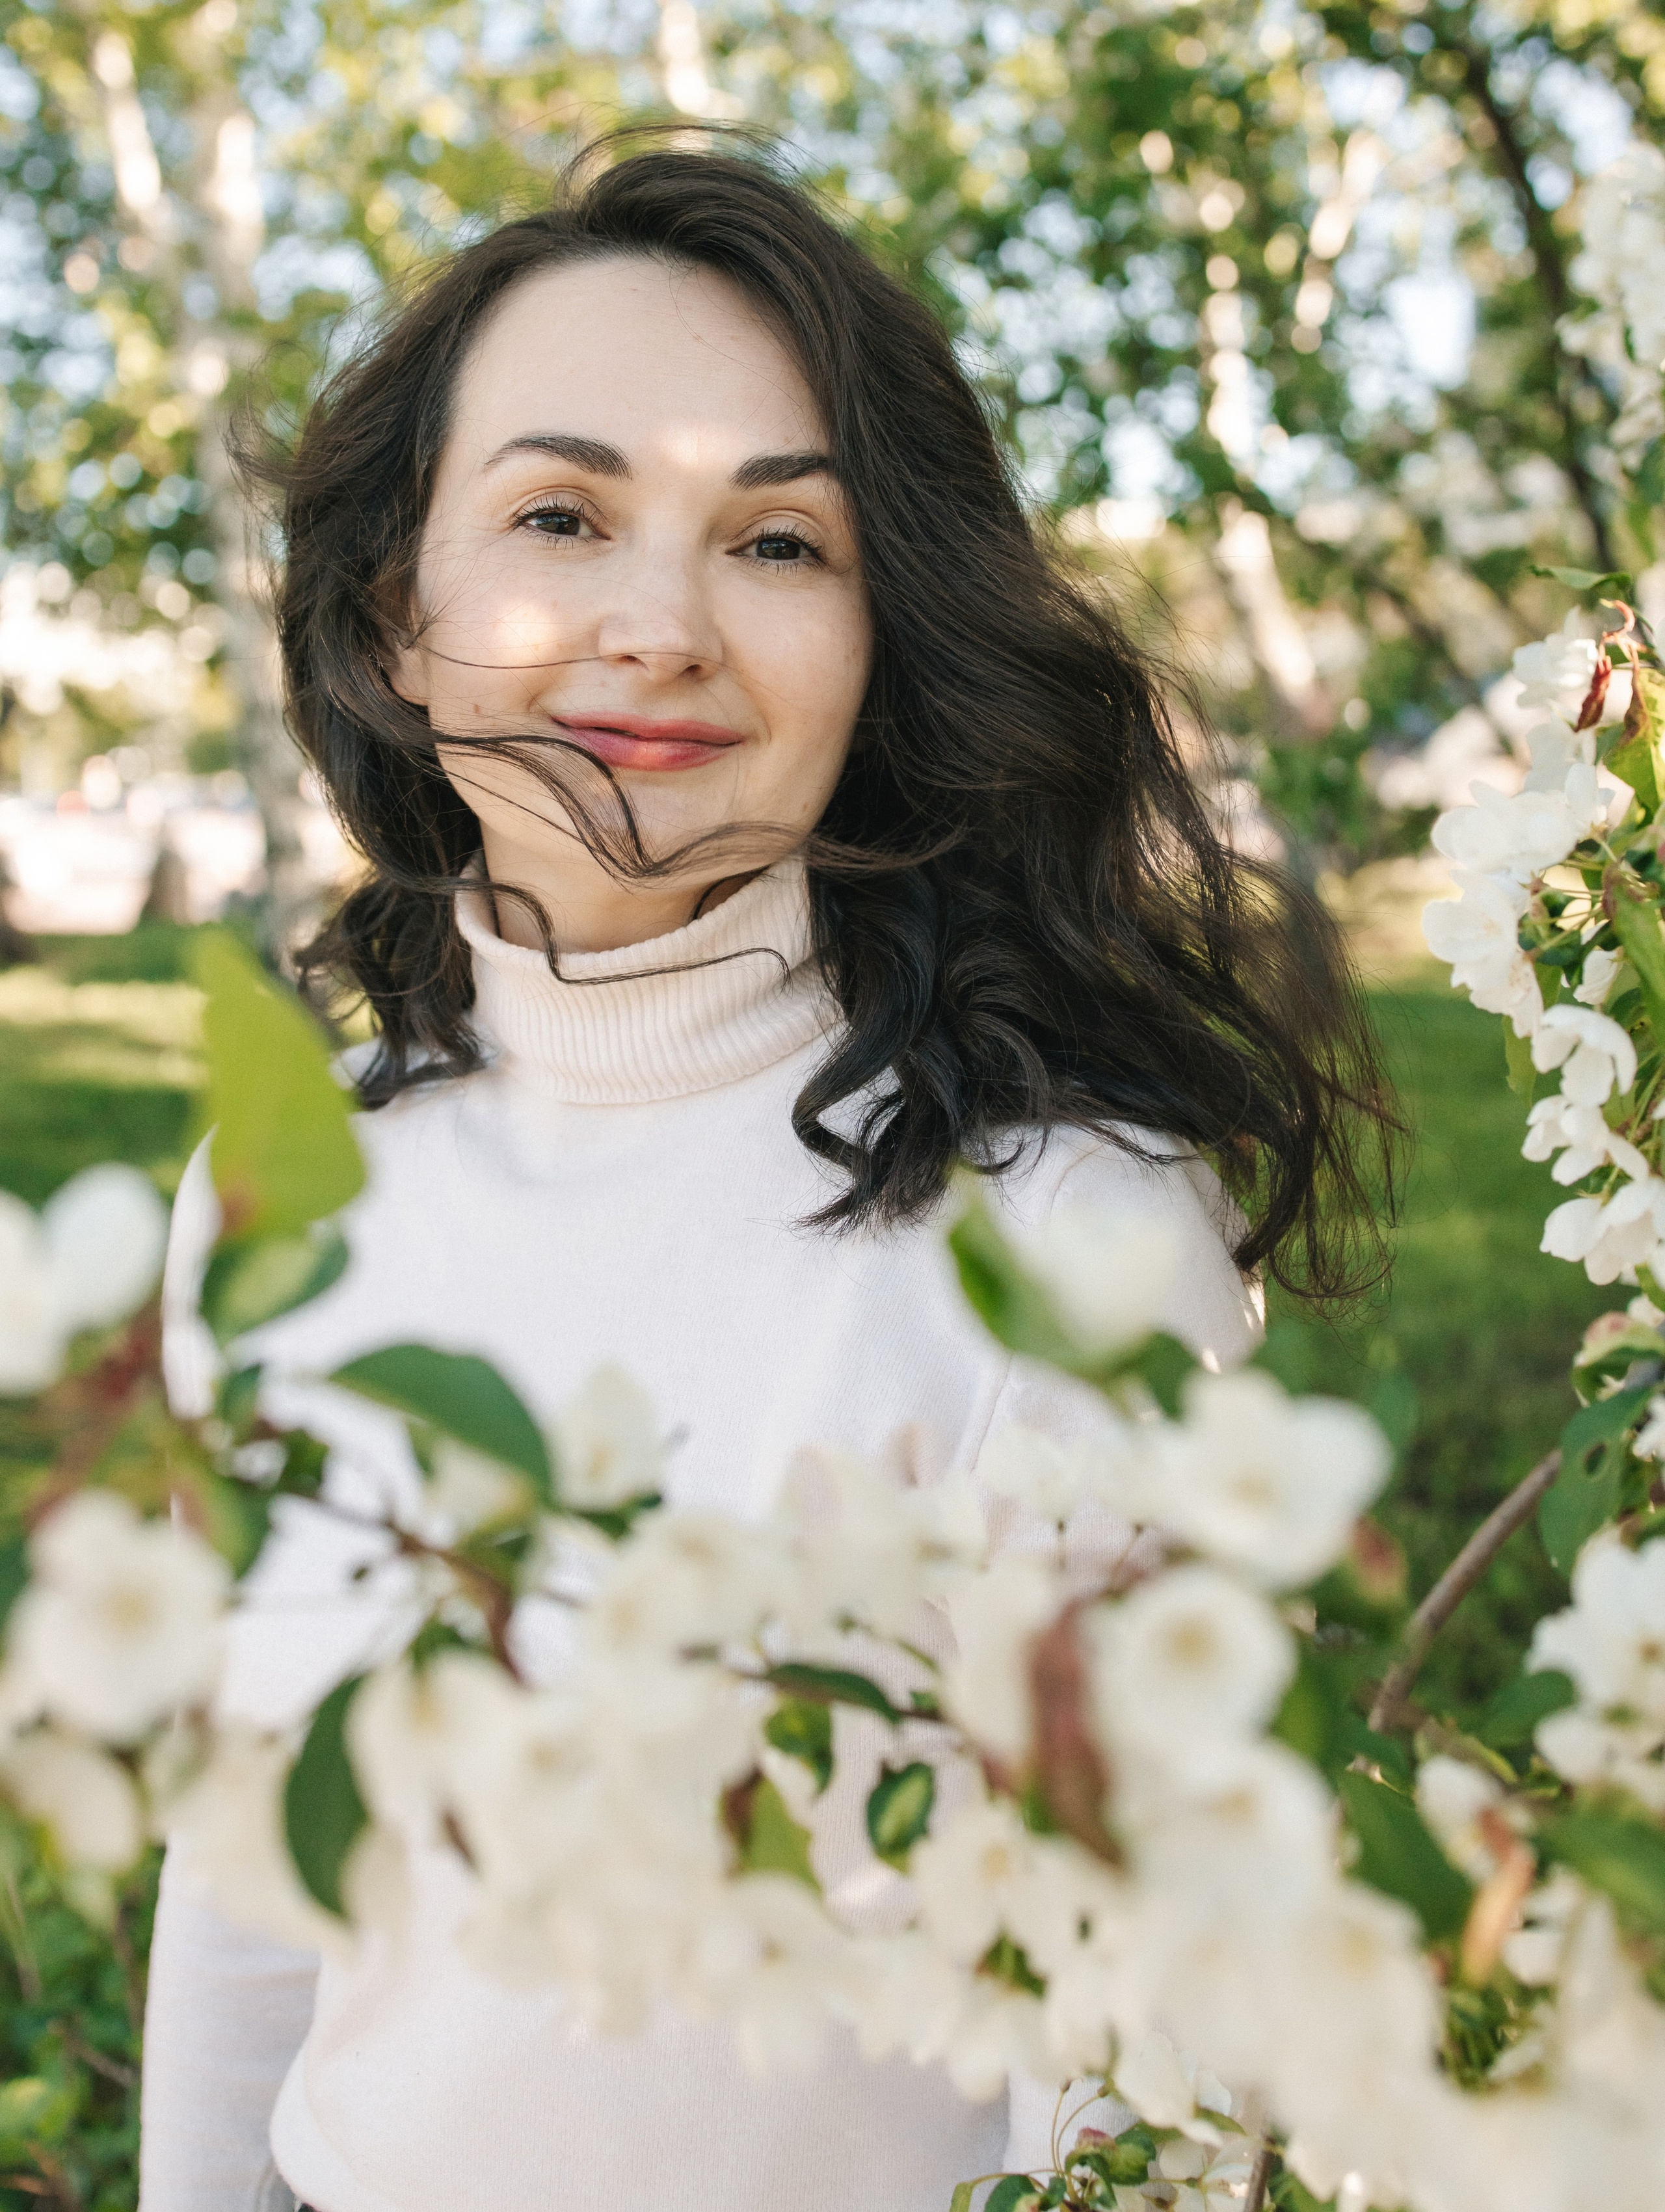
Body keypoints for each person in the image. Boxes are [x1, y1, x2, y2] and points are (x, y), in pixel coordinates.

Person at [139, 137, 1394, 2212]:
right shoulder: (283, 1182)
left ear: (878, 637)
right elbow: (255, 1856)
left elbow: (1153, 2078)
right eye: (561, 515)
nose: (659, 628)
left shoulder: (1061, 1231)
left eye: (781, 542)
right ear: (395, 617)